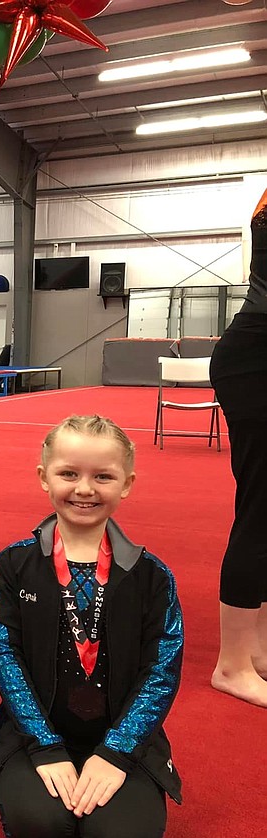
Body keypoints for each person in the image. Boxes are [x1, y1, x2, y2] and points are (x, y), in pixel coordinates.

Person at [0, 416, 183, 838]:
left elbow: (162, 670)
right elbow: (4, 656)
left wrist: (117, 753)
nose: (85, 489)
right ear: (43, 477)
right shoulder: (14, 565)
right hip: (36, 730)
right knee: (40, 832)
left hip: (122, 735)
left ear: (127, 484)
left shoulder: (152, 576)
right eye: (69, 474)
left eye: (103, 476)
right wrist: (44, 744)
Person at [210, 185, 267, 708]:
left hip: (254, 354)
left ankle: (261, 648)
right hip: (256, 361)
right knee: (260, 510)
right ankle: (232, 664)